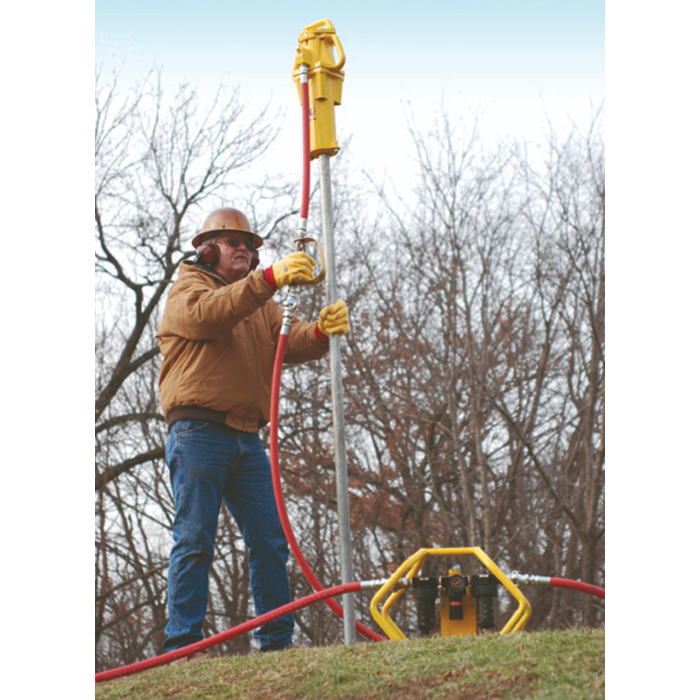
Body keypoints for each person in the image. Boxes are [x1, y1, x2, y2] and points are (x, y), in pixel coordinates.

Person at [156, 206, 348, 656]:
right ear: (207, 251)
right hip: (198, 432)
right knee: (195, 539)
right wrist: (270, 279)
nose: (243, 249)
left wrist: (320, 332)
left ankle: (276, 644)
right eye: (232, 242)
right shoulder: (189, 289)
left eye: (249, 245)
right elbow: (210, 315)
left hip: (246, 437)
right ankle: (182, 646)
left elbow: (287, 339)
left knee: (270, 541)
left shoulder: (258, 303)